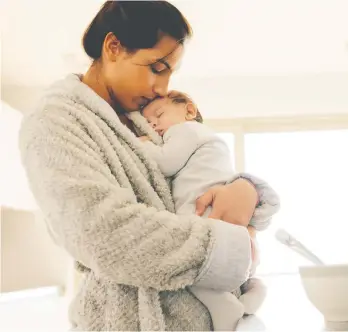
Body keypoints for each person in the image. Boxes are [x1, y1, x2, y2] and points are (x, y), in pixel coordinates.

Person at [18, 1, 280, 331]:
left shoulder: (142, 119)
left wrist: (245, 189)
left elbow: (194, 177)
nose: (163, 88)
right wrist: (229, 246)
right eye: (157, 68)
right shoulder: (55, 121)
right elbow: (102, 233)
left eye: (170, 73)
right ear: (113, 47)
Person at [134, 91, 270, 330]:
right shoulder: (207, 141)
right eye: (147, 122)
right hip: (229, 228)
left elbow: (166, 163)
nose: (153, 123)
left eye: (159, 114)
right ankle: (255, 291)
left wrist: (138, 143)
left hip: (207, 215)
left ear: (189, 111)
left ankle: (225, 307)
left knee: (195, 274)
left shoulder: (186, 130)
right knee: (243, 275)